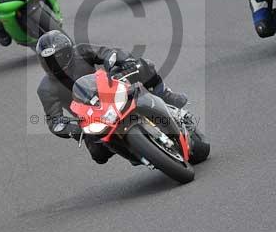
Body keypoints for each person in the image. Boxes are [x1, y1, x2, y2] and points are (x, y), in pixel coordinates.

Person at [35, 30, 188, 164]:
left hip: (110, 89)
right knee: (98, 154)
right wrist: (75, 130)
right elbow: (54, 121)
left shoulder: (81, 51)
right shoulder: (45, 88)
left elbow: (108, 54)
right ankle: (134, 152)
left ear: (68, 52)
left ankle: (165, 95)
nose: (54, 64)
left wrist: (124, 61)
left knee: (143, 65)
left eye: (58, 57)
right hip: (91, 117)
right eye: (49, 61)